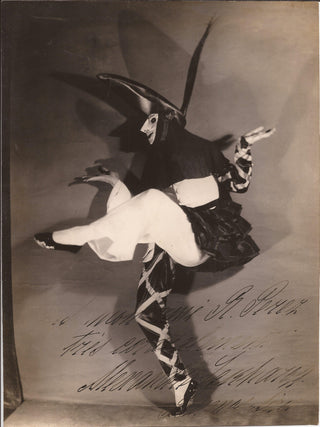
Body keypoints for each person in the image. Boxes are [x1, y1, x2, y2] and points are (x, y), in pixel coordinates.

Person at [34, 20, 275, 416]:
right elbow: (145, 210)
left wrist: (245, 147)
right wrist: (114, 180)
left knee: (154, 200)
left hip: (202, 240)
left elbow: (239, 184)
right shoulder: (163, 159)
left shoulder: (196, 150)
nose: (144, 133)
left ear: (164, 119)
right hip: (168, 236)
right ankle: (182, 379)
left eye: (147, 123)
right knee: (145, 314)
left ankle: (69, 238)